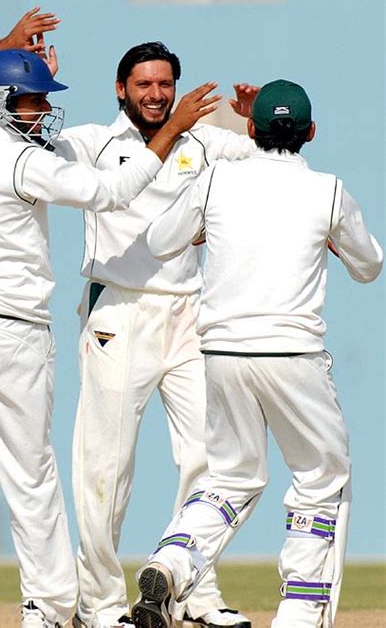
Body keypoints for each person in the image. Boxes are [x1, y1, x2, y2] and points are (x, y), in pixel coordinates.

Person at [0, 9, 219, 628]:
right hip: (9, 330)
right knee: (31, 472)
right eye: (27, 100)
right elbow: (111, 191)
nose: (39, 111)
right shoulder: (21, 162)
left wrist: (5, 47)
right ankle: (51, 608)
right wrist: (172, 128)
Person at [132, 79, 383, 628]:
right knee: (322, 478)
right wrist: (335, 240)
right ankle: (298, 610)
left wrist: (203, 226)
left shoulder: (216, 178)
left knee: (230, 476)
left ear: (251, 129)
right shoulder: (329, 190)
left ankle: (171, 562)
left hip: (222, 352)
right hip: (294, 354)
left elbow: (159, 241)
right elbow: (370, 266)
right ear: (311, 133)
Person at [57, 42, 258, 628]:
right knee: (106, 467)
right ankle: (97, 605)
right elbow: (39, 150)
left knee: (208, 458)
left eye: (165, 85)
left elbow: (278, 155)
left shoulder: (204, 141)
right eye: (143, 85)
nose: (156, 95)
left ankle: (191, 591)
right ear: (121, 89)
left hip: (188, 313)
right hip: (118, 314)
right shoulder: (94, 142)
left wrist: (249, 119)